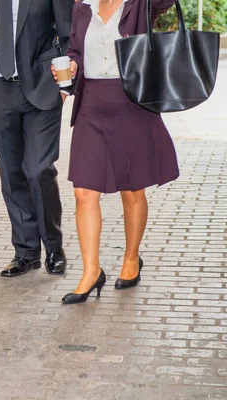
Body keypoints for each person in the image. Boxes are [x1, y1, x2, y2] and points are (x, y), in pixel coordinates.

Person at [53, 0, 179, 304]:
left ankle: (132, 259)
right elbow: (75, 49)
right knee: (83, 192)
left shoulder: (140, 4)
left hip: (131, 104)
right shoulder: (82, 6)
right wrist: (71, 64)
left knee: (132, 191)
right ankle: (91, 272)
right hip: (92, 105)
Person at [0, 0, 73, 278]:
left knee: (39, 170)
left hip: (42, 87)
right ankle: (26, 252)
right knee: (11, 174)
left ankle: (54, 247)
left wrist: (64, 85)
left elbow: (69, 33)